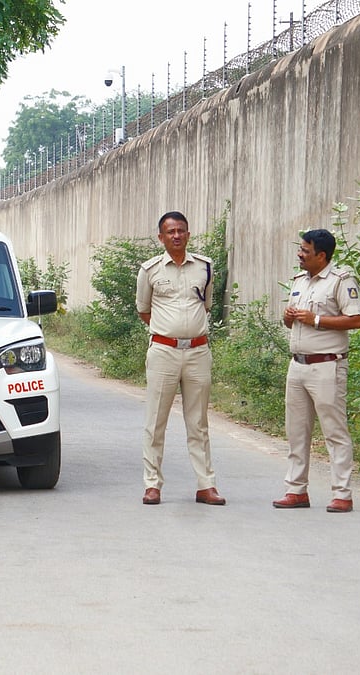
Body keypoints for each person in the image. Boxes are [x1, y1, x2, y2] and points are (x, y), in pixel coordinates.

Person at [135, 211, 225, 506]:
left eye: (181, 231)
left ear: (188, 234)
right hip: (163, 351)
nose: (176, 236)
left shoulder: (205, 267)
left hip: (198, 351)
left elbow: (207, 305)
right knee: (155, 421)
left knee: (198, 422)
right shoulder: (149, 271)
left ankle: (206, 485)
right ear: (161, 237)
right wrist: (169, 333)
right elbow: (144, 310)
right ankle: (152, 485)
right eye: (170, 232)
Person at [275, 229, 360, 513]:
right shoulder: (300, 280)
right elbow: (293, 324)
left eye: (305, 251)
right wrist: (289, 318)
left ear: (321, 255)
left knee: (334, 431)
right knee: (296, 431)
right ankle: (296, 490)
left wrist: (315, 319)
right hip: (298, 365)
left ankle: (342, 493)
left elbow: (356, 319)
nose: (300, 255)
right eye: (301, 249)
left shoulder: (341, 280)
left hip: (327, 365)